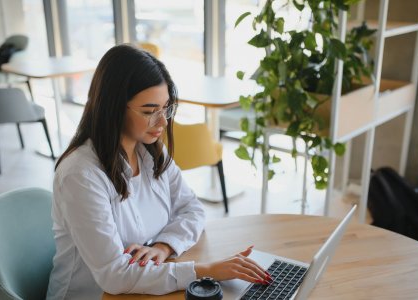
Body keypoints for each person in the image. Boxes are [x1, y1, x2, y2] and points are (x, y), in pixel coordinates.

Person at [46, 44, 271, 300]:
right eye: (149, 111)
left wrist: (164, 247)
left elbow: (192, 209)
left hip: (144, 287)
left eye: (165, 108)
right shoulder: (80, 175)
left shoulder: (151, 152)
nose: (163, 122)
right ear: (113, 107)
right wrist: (207, 271)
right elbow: (114, 274)